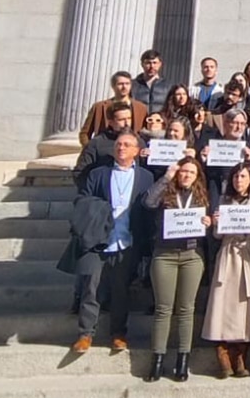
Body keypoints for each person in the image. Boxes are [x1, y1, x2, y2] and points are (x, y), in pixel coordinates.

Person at [71, 132, 153, 355]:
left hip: (126, 241)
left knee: (121, 290)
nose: (121, 148)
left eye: (127, 145)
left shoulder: (146, 177)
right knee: (92, 286)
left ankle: (118, 333)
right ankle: (86, 333)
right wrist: (103, 210)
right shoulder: (98, 173)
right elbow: (83, 199)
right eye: (118, 144)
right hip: (98, 240)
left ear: (137, 151)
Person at [142, 157, 213, 382]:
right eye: (183, 172)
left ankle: (183, 360)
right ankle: (158, 359)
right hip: (165, 254)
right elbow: (148, 202)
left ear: (197, 176)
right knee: (163, 309)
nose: (187, 176)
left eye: (191, 173)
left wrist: (208, 223)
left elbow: (211, 225)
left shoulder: (202, 196)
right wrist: (166, 176)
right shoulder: (166, 192)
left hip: (192, 256)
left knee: (186, 309)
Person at [203, 164, 250, 379]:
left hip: (249, 254)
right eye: (235, 176)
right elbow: (217, 236)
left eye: (243, 176)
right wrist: (217, 224)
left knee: (246, 305)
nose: (238, 180)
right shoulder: (223, 201)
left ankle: (241, 354)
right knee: (223, 302)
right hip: (228, 253)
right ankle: (222, 352)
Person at [75, 103, 138, 186]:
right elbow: (80, 172)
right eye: (121, 120)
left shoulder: (138, 142)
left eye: (129, 118)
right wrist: (91, 193)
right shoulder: (96, 144)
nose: (127, 123)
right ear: (110, 122)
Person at [80, 71, 147, 145]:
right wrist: (90, 149)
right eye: (120, 84)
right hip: (105, 148)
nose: (124, 87)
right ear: (113, 86)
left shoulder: (141, 108)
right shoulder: (99, 107)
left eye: (127, 84)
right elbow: (85, 133)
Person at [132, 49, 171, 115]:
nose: (151, 66)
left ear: (160, 64)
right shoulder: (133, 85)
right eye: (148, 63)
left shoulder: (168, 86)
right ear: (142, 64)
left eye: (154, 63)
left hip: (159, 123)